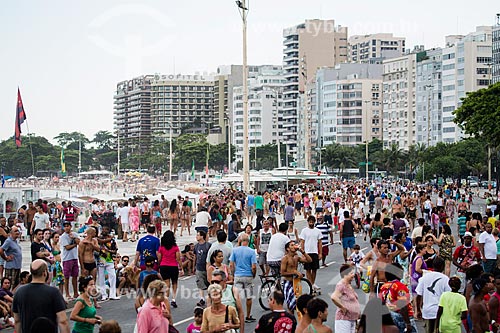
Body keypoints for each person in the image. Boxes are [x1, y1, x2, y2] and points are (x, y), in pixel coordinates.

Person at [12, 259, 69, 333]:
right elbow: (63, 321)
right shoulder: (53, 292)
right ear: (45, 272)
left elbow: (17, 320)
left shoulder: (19, 292)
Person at [378, 263, 417, 333]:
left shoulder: (383, 287)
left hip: (389, 318)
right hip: (401, 319)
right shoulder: (400, 286)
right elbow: (403, 306)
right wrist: (408, 323)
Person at [415, 257, 450, 333]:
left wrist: (418, 309)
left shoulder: (424, 278)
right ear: (442, 267)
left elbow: (418, 295)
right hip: (441, 312)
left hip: (427, 311)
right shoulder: (445, 279)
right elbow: (448, 296)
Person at [230, 233, 257, 323]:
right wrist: (253, 274)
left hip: (238, 275)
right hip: (248, 275)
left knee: (237, 297)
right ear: (248, 241)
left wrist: (233, 274)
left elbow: (231, 264)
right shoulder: (251, 251)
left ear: (240, 241)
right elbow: (253, 266)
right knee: (248, 297)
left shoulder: (235, 250)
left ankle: (237, 315)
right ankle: (248, 316)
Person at [330, 264, 361, 333]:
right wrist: (343, 307)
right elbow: (334, 297)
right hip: (344, 320)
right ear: (345, 274)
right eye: (351, 273)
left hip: (352, 319)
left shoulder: (348, 285)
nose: (353, 275)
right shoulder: (341, 285)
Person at [158, 230, 182, 308]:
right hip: (173, 266)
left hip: (164, 266)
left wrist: (159, 265)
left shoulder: (161, 247)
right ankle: (174, 299)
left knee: (166, 283)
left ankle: (166, 299)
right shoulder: (175, 247)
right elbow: (178, 258)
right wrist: (181, 268)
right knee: (174, 283)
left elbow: (159, 258)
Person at [299, 215, 322, 292]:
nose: (311, 223)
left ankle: (312, 283)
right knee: (308, 269)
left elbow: (320, 243)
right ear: (308, 222)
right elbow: (302, 242)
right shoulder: (304, 231)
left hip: (314, 252)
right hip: (307, 252)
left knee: (314, 269)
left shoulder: (317, 231)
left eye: (312, 222)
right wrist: (302, 252)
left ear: (314, 222)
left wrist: (320, 253)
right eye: (310, 222)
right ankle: (311, 285)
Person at [97, 225, 119, 300]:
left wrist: (109, 251)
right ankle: (104, 294)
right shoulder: (99, 237)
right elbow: (101, 242)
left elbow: (115, 249)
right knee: (101, 277)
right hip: (101, 259)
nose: (103, 230)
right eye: (103, 229)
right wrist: (110, 238)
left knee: (113, 276)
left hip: (109, 260)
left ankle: (112, 294)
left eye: (105, 229)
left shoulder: (112, 240)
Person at [59, 222, 81, 300]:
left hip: (74, 257)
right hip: (67, 258)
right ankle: (67, 293)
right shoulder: (63, 237)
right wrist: (75, 244)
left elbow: (79, 242)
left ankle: (75, 292)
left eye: (68, 226)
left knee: (75, 276)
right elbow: (67, 247)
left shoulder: (74, 234)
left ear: (70, 226)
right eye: (65, 226)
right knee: (66, 277)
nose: (66, 228)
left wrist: (73, 238)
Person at [194, 230, 211, 307]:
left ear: (202, 236)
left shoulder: (208, 245)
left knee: (208, 283)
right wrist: (194, 266)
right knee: (200, 283)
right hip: (199, 267)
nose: (196, 237)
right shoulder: (196, 246)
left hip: (207, 267)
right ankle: (202, 299)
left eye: (198, 235)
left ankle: (209, 298)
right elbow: (195, 256)